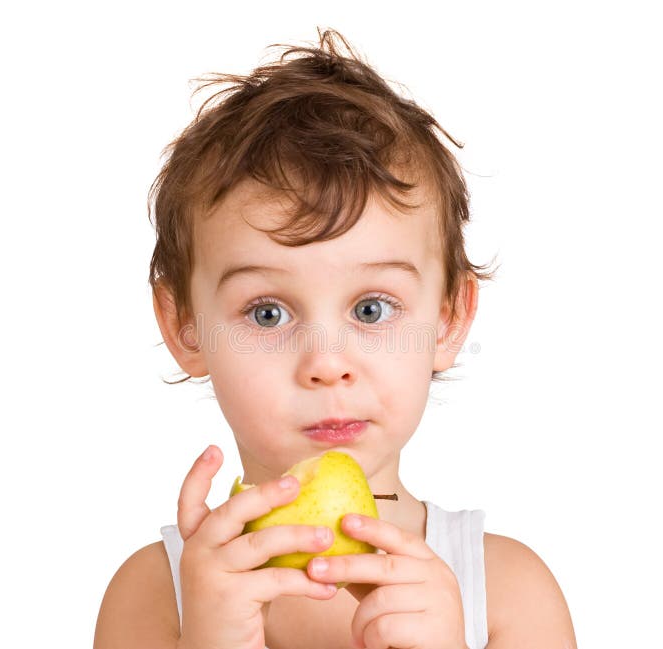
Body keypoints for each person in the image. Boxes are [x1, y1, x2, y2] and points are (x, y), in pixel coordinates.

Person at [94, 28, 577, 649]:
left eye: (373, 309)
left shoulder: (509, 591)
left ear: (449, 319)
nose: (327, 364)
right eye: (267, 314)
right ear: (186, 328)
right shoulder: (158, 594)